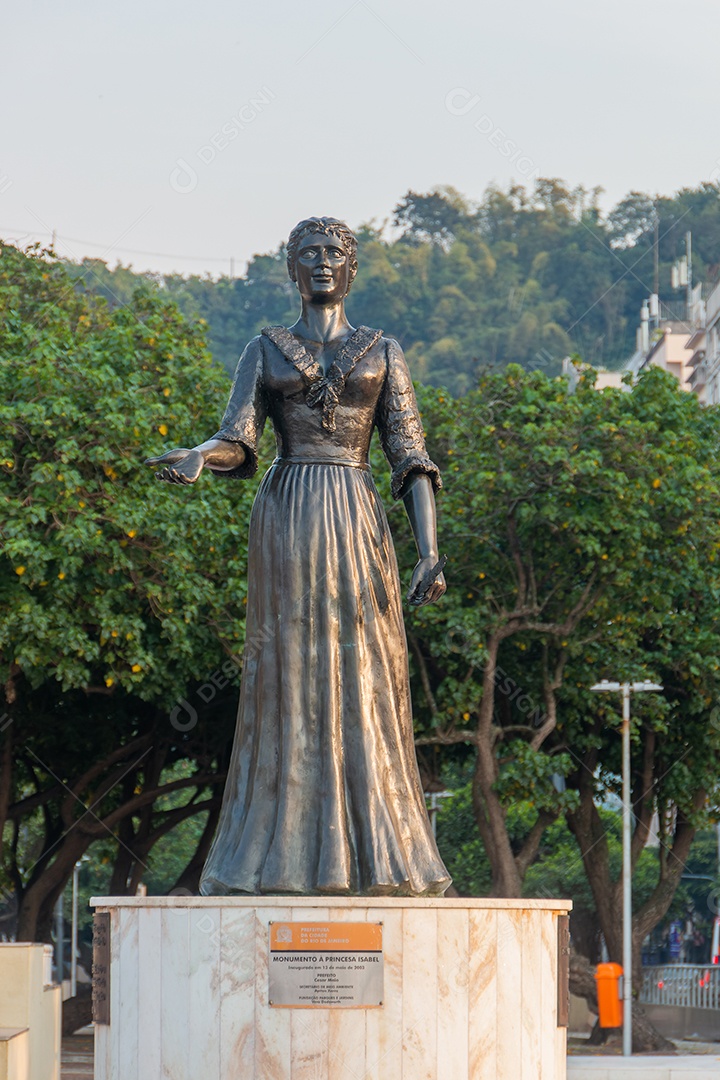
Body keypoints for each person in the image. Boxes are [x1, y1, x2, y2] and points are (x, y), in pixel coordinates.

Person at [146, 216, 450, 896]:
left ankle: (378, 853)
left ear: (351, 268)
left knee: (366, 668)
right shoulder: (264, 350)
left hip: (358, 512)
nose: (321, 263)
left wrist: (429, 551)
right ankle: (277, 852)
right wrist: (199, 456)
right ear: (290, 268)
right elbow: (238, 443)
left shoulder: (383, 350)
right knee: (287, 669)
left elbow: (411, 456)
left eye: (333, 253)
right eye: (308, 253)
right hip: (287, 516)